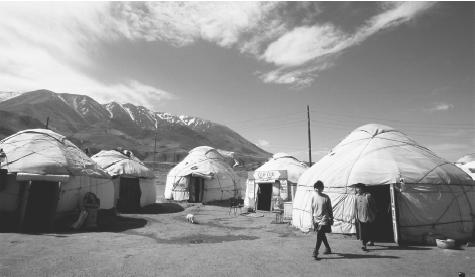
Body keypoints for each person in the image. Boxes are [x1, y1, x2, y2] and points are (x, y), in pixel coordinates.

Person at [311, 180, 333, 260]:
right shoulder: (313, 197)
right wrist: (312, 219)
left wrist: (331, 218)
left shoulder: (326, 197)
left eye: (319, 188)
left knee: (319, 235)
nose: (317, 189)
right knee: (322, 235)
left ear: (322, 188)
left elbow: (330, 209)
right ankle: (328, 248)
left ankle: (315, 252)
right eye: (316, 188)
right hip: (316, 218)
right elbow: (312, 209)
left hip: (324, 218)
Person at [354, 183, 377, 251]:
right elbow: (355, 207)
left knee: (369, 230)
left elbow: (373, 205)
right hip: (360, 216)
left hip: (368, 216)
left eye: (359, 188)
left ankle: (371, 241)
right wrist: (356, 216)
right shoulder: (356, 196)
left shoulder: (368, 196)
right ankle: (364, 245)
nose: (357, 190)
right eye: (357, 188)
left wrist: (374, 214)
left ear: (362, 189)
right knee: (363, 231)